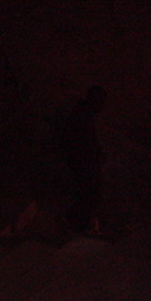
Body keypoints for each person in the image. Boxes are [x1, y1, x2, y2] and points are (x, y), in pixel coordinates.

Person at [63, 85, 107, 235]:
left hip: (83, 165)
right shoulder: (82, 117)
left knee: (88, 197)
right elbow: (82, 144)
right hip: (83, 166)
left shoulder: (83, 115)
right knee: (88, 197)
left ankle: (77, 228)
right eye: (100, 101)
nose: (102, 106)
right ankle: (77, 229)